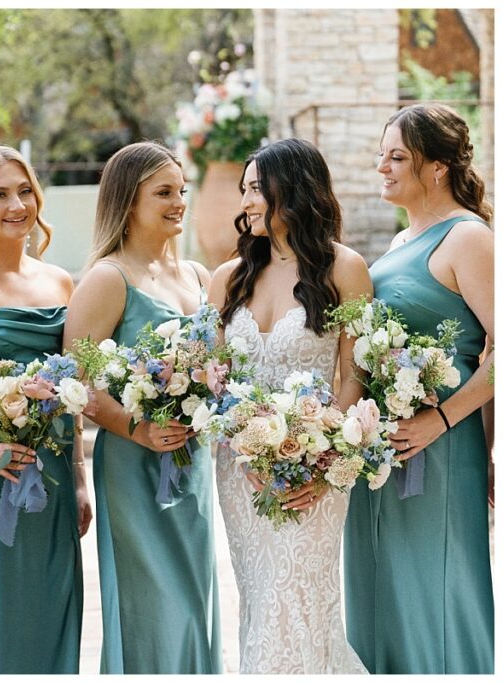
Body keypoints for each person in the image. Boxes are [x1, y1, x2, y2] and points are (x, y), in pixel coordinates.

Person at [209, 138, 370, 674]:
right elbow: (215, 383)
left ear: (292, 190)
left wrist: (324, 462)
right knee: (261, 600)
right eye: (244, 190)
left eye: (256, 188)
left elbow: (354, 375)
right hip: (241, 471)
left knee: (296, 599)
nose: (247, 201)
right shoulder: (226, 278)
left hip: (317, 469)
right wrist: (244, 445)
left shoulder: (343, 270)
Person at [344, 103, 494, 674]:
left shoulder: (468, 239)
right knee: (382, 593)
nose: (382, 167)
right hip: (381, 453)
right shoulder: (400, 239)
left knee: (437, 593)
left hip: (440, 450)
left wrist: (444, 421)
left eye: (397, 156)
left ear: (437, 167)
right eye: (380, 155)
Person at [62, 141, 220, 674]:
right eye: (164, 193)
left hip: (192, 461)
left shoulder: (198, 276)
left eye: (182, 191)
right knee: (153, 606)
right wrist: (138, 428)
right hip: (133, 465)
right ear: (129, 201)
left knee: (195, 606)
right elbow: (75, 384)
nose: (179, 202)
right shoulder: (108, 278)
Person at [0, 145, 90, 674]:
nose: (17, 205)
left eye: (24, 190)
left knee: (53, 599)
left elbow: (72, 387)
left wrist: (78, 478)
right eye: (0, 194)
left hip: (51, 468)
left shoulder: (59, 282)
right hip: (4, 466)